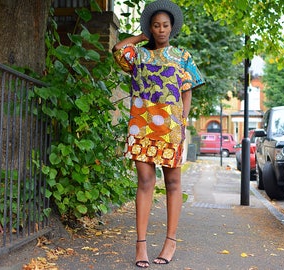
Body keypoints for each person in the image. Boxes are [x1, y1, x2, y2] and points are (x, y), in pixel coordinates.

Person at [112, 0, 205, 268]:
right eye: (156, 25)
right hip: (141, 124)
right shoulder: (139, 55)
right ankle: (140, 245)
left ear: (172, 27)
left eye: (165, 25)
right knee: (144, 180)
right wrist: (141, 36)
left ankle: (170, 241)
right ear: (150, 28)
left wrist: (183, 123)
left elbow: (187, 92)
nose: (161, 29)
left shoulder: (183, 57)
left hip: (171, 126)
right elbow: (118, 49)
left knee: (173, 183)